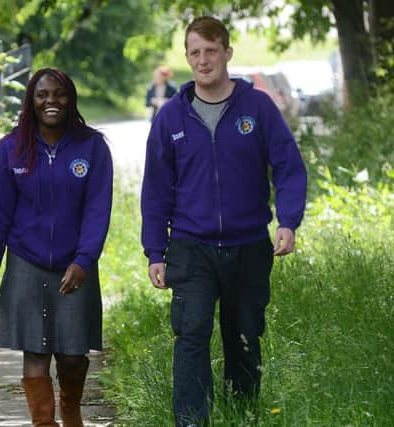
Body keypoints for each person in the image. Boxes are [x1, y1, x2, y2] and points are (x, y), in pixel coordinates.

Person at [140, 16, 307, 426]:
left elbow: (288, 166)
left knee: (245, 337)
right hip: (190, 247)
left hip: (249, 243)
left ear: (227, 53)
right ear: (187, 58)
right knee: (192, 333)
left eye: (210, 51)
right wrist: (154, 251)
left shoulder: (258, 108)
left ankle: (243, 414)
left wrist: (288, 221)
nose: (202, 60)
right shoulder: (171, 118)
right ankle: (192, 420)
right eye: (194, 53)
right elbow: (156, 190)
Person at [0, 68, 113, 427]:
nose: (51, 101)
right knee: (35, 350)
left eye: (59, 94)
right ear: (31, 102)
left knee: (71, 355)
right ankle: (43, 423)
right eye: (42, 95)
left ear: (71, 99)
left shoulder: (92, 147)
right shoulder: (10, 150)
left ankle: (71, 410)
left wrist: (84, 260)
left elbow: (98, 210)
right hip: (26, 262)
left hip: (75, 265)